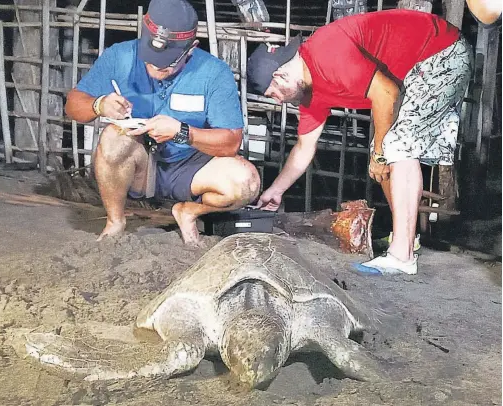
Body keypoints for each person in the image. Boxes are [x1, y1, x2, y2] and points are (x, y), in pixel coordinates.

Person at [247, 9, 473, 275]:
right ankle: (406, 239)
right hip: (412, 71)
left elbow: (386, 92)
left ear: (280, 75)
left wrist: (379, 155)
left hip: (442, 51)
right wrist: (276, 190)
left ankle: (402, 256)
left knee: (394, 147)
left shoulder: (326, 52)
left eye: (273, 93)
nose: (276, 100)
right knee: (387, 150)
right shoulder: (309, 91)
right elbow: (304, 146)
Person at [65, 0, 260, 246]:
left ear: (191, 49)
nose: (156, 67)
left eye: (166, 62)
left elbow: (231, 142)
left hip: (191, 167)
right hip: (141, 164)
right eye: (149, 58)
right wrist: (99, 104)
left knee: (246, 182)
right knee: (113, 137)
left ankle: (188, 211)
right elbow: (73, 105)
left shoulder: (213, 73)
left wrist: (182, 133)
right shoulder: (120, 56)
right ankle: (115, 221)